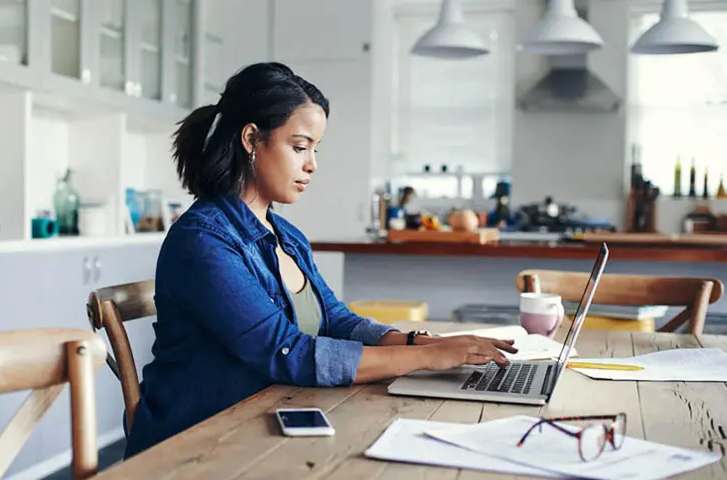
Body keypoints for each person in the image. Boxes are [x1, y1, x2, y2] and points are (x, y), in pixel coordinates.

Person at [124, 62, 518, 458]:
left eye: (315, 149)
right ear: (251, 139)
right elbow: (286, 352)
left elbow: (336, 321)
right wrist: (425, 358)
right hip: (197, 445)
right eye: (299, 147)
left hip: (267, 422)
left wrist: (427, 343)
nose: (312, 164)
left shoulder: (288, 237)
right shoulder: (203, 241)